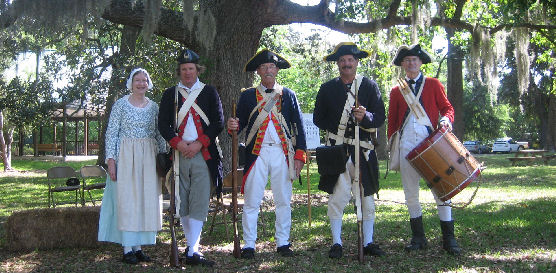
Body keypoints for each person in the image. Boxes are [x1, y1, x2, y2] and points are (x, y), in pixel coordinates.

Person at [227, 49, 307, 259]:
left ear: (277, 70)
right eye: (264, 67)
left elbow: (298, 126)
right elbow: (239, 124)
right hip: (257, 153)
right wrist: (232, 125)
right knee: (252, 201)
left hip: (282, 153)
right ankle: (249, 245)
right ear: (259, 72)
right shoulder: (247, 96)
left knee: (283, 201)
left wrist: (299, 156)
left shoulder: (287, 95)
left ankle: (283, 242)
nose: (268, 70)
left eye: (271, 66)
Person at [313, 42, 386, 259]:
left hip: (363, 150)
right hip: (337, 150)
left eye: (350, 60)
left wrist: (366, 118)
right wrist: (340, 127)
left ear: (356, 62)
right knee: (337, 197)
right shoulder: (327, 89)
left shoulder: (370, 87)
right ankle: (336, 243)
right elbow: (318, 118)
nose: (347, 63)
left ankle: (369, 241)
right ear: (338, 64)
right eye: (343, 60)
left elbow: (379, 118)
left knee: (367, 199)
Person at [387, 44, 461, 255]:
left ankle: (449, 238)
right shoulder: (396, 90)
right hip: (406, 144)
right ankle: (418, 237)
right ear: (402, 64)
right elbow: (392, 122)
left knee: (442, 191)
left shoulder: (433, 84)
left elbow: (447, 108)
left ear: (420, 63)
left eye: (415, 60)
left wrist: (446, 120)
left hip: (431, 143)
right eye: (407, 60)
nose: (411, 63)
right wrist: (393, 145)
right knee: (411, 192)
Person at [158, 49, 224, 267]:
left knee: (199, 198)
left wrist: (198, 143)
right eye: (184, 69)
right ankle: (192, 248)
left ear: (198, 70)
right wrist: (179, 144)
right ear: (180, 71)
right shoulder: (170, 94)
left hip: (202, 153)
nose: (187, 72)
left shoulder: (209, 92)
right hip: (178, 155)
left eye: (191, 68)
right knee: (182, 200)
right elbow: (163, 125)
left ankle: (193, 248)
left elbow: (218, 122)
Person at [98, 68, 167, 264]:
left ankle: (138, 247)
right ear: (131, 82)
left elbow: (159, 134)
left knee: (145, 200)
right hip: (126, 155)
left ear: (148, 83)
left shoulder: (154, 107)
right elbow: (111, 133)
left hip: (148, 156)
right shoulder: (120, 105)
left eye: (144, 80)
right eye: (137, 80)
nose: (141, 83)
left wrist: (163, 158)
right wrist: (111, 160)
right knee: (127, 200)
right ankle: (127, 247)